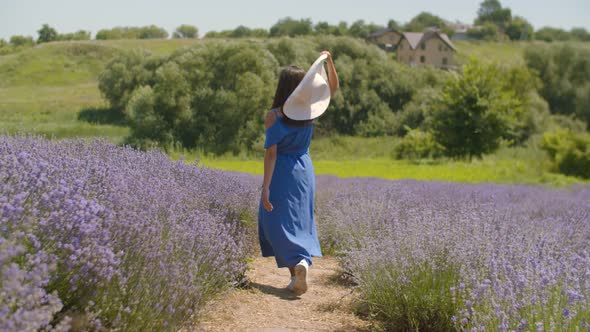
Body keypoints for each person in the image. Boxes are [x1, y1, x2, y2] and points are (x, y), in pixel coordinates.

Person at [258, 51, 339, 295]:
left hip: (282, 172)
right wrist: (330, 63)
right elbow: (332, 89)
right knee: (300, 221)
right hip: (304, 171)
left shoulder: (274, 116)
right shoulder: (311, 110)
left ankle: (297, 269)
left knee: (273, 222)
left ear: (281, 86)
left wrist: (266, 188)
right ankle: (301, 266)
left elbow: (271, 154)